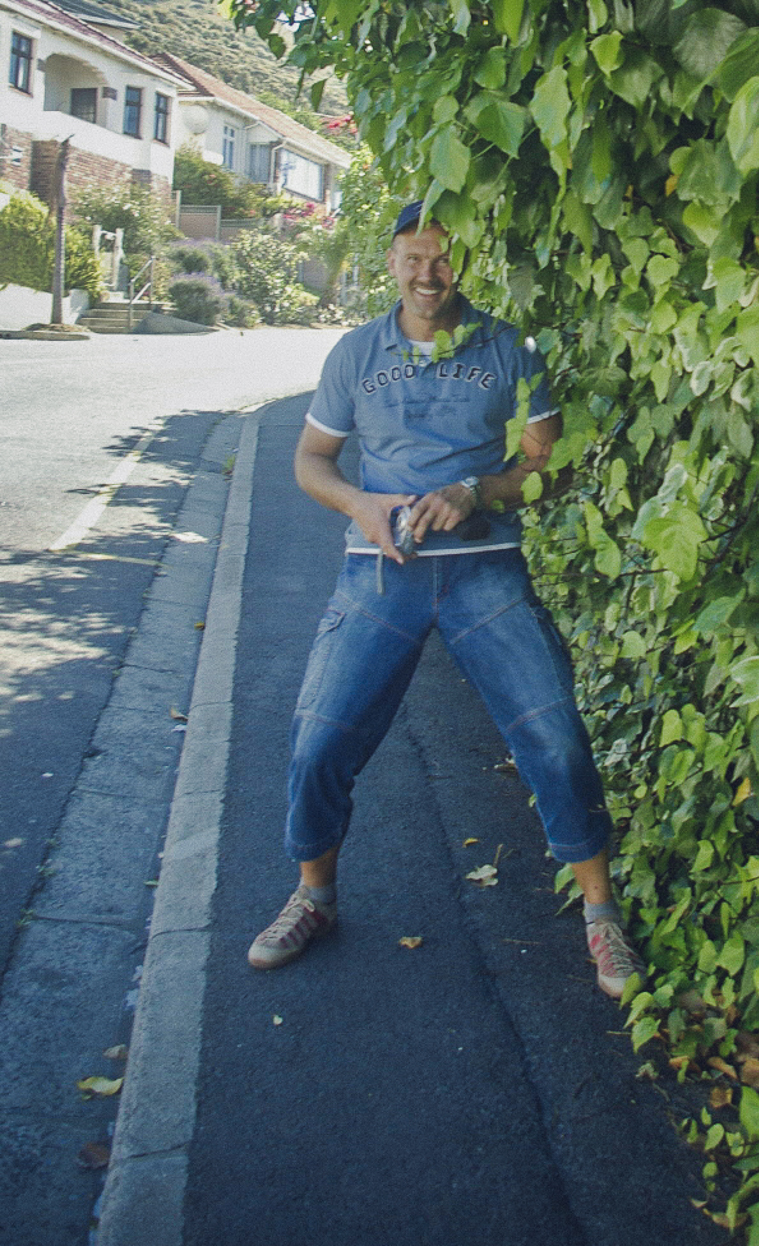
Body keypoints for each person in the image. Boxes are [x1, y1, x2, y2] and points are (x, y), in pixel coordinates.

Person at [247, 204, 643, 999]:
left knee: (557, 740)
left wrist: (475, 491)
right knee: (318, 742)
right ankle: (314, 897)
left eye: (441, 259)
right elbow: (312, 459)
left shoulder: (510, 348)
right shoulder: (355, 352)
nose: (427, 275)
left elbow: (548, 464)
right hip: (379, 572)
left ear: (462, 263)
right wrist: (360, 506)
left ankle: (601, 917)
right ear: (391, 261)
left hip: (483, 569)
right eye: (412, 257)